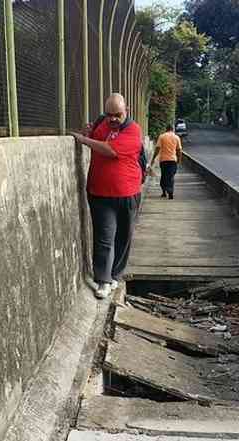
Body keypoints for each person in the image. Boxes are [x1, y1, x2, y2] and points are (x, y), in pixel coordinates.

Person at [71, 94, 143, 299]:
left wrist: (84, 140)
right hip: (100, 193)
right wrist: (88, 132)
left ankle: (115, 276)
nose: (112, 119)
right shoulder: (102, 123)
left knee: (124, 237)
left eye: (117, 115)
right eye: (109, 114)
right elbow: (94, 135)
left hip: (128, 193)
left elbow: (109, 150)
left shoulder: (133, 130)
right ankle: (103, 280)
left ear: (126, 110)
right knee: (105, 238)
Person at [151, 124, 182, 199]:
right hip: (172, 160)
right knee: (171, 176)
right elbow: (179, 150)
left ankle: (164, 192)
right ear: (172, 129)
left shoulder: (162, 136)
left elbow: (157, 148)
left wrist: (153, 158)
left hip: (163, 160)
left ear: (166, 129)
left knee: (164, 176)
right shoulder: (176, 137)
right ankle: (170, 192)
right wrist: (179, 160)